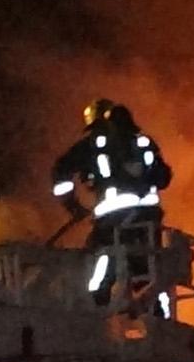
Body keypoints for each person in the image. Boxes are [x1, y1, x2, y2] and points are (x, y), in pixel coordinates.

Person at [49, 98, 173, 312]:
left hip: (112, 218)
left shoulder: (92, 145)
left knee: (102, 260)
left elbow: (61, 172)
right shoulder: (143, 143)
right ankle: (158, 313)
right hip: (148, 219)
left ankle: (96, 308)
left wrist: (73, 206)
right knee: (147, 267)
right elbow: (163, 178)